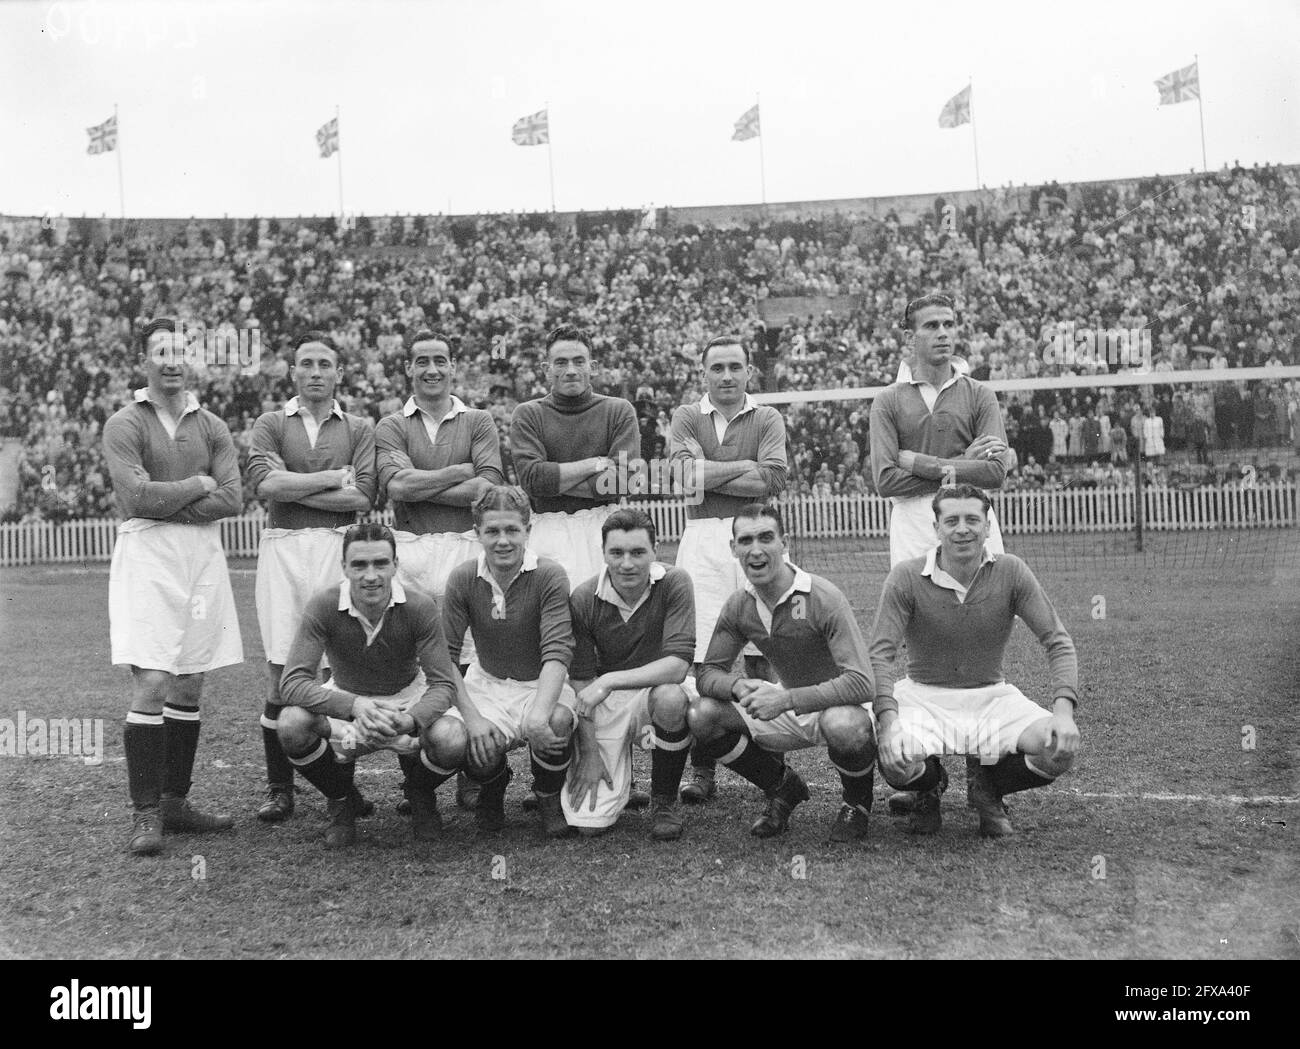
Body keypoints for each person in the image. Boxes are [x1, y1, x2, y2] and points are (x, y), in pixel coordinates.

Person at [869, 293, 1016, 817]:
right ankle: (925, 782)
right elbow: (886, 477)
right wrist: (961, 462)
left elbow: (996, 472)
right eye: (930, 325)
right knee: (921, 641)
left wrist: (926, 462)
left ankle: (984, 781)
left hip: (971, 517)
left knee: (981, 632)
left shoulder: (978, 393)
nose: (942, 332)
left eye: (950, 323)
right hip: (912, 520)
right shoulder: (889, 400)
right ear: (909, 336)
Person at [104, 318, 244, 856]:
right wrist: (197, 483)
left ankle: (174, 802)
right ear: (145, 359)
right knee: (154, 680)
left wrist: (179, 496)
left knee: (189, 683)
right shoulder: (125, 422)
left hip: (202, 555)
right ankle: (144, 815)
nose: (170, 361)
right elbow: (137, 499)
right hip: (148, 554)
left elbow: (232, 500)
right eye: (160, 351)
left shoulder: (211, 424)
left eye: (179, 352)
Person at [869, 484, 1081, 837]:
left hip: (990, 697)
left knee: (1057, 749)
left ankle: (989, 788)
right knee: (896, 763)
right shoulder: (906, 576)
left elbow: (1057, 641)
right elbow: (880, 655)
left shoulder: (1011, 572)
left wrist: (1063, 713)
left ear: (988, 527)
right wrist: (889, 723)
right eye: (951, 520)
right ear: (936, 528)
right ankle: (929, 788)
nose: (962, 529)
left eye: (972, 519)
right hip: (924, 696)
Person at [246, 332, 378, 823]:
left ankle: (337, 789)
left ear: (339, 373)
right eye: (307, 363)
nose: (316, 371)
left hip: (336, 548)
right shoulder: (271, 423)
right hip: (283, 548)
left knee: (332, 669)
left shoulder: (360, 427)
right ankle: (279, 788)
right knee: (282, 670)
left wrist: (294, 487)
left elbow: (362, 497)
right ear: (294, 372)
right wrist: (329, 478)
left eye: (326, 363)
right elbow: (265, 485)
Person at [689, 504, 878, 842]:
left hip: (840, 706)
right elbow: (707, 675)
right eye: (745, 540)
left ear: (784, 543)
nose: (756, 550)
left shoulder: (821, 596)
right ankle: (783, 786)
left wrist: (786, 698)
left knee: (844, 726)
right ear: (734, 548)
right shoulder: (739, 604)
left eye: (766, 538)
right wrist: (737, 686)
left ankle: (856, 804)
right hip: (787, 704)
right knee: (702, 714)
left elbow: (862, 683)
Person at [375, 330, 504, 810]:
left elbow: (486, 491)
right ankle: (417, 776)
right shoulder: (391, 425)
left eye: (441, 361)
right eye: (422, 361)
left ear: (454, 367)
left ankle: (471, 770)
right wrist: (458, 471)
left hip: (464, 545)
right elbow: (399, 488)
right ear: (408, 369)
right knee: (415, 660)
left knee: (468, 658)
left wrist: (426, 482)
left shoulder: (478, 420)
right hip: (410, 547)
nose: (432, 369)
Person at [276, 523, 462, 848]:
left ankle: (419, 793)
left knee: (451, 738)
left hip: (404, 704)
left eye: (380, 563)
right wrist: (354, 706)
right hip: (348, 710)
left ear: (395, 565)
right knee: (291, 723)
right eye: (359, 565)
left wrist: (410, 719)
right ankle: (342, 798)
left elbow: (444, 685)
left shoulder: (419, 606)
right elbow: (291, 683)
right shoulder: (324, 604)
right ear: (344, 567)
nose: (371, 575)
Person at [669, 334, 788, 806]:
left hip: (755, 533)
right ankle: (703, 768)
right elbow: (683, 480)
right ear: (704, 373)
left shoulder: (767, 417)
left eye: (734, 367)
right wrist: (744, 468)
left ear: (748, 372)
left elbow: (772, 478)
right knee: (703, 656)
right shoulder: (686, 416)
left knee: (765, 647)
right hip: (701, 541)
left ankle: (769, 762)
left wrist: (709, 469)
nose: (726, 377)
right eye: (716, 368)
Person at [427, 485, 579, 837]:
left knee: (554, 720)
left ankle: (547, 796)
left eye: (512, 530)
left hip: (538, 684)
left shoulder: (550, 575)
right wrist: (472, 716)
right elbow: (445, 657)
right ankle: (490, 791)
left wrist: (538, 715)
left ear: (528, 530)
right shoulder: (463, 577)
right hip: (488, 683)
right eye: (492, 531)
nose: (503, 541)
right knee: (453, 736)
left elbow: (557, 651)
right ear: (477, 532)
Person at [562, 508, 695, 840]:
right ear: (604, 553)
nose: (626, 563)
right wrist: (590, 752)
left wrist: (608, 680)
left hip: (651, 692)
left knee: (670, 697)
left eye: (638, 552)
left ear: (655, 549)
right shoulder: (583, 597)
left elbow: (677, 666)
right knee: (588, 826)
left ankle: (663, 801)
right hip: (605, 704)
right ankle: (618, 784)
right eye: (616, 553)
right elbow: (581, 680)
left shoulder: (675, 582)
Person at [509, 324, 639, 588]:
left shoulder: (618, 410)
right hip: (548, 528)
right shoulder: (528, 414)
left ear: (592, 366)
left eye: (579, 361)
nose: (570, 370)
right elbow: (533, 480)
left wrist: (555, 480)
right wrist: (595, 464)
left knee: (608, 618)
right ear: (546, 369)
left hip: (606, 525)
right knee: (555, 620)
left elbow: (624, 481)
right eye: (561, 362)